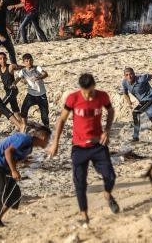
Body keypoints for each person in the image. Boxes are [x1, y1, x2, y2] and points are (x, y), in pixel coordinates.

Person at [47, 73, 120, 227]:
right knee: (80, 183)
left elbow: (111, 111)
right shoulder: (73, 98)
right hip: (79, 147)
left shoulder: (102, 96)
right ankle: (84, 215)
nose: (89, 96)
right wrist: (55, 143)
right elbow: (61, 119)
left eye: (91, 91)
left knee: (111, 176)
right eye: (86, 92)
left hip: (98, 145)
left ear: (94, 86)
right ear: (81, 89)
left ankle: (107, 194)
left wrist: (107, 130)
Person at [0, 126, 51, 231]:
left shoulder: (29, 148)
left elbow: (15, 158)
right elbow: (8, 152)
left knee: (15, 194)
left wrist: (17, 168)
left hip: (5, 168)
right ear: (43, 137)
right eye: (48, 140)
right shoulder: (25, 139)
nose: (48, 143)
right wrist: (13, 171)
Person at [119, 67, 152, 145]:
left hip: (149, 98)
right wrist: (129, 103)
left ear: (134, 74)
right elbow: (125, 93)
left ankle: (135, 137)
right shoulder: (124, 82)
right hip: (143, 101)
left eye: (131, 74)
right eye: (127, 75)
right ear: (124, 76)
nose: (129, 76)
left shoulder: (141, 79)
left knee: (136, 112)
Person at [17, 53, 50, 127]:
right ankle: (24, 126)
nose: (29, 62)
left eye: (30, 60)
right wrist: (15, 83)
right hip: (31, 95)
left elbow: (45, 74)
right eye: (27, 61)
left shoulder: (37, 68)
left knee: (44, 116)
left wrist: (39, 77)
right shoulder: (23, 71)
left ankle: (47, 129)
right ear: (24, 62)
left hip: (41, 95)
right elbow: (18, 78)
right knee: (23, 111)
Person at [0, 52, 21, 117]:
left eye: (4, 58)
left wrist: (15, 82)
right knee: (15, 110)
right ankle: (21, 124)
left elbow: (23, 68)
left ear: (6, 59)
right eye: (1, 59)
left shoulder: (10, 67)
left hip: (12, 90)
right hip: (7, 91)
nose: (3, 60)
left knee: (1, 107)